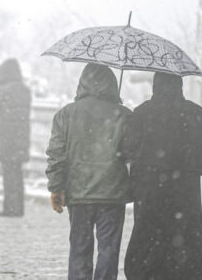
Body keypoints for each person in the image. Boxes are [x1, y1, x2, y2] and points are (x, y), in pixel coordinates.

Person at [120, 72, 202, 280]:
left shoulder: (142, 113)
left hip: (150, 189)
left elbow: (127, 149)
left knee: (149, 235)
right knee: (184, 238)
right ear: (179, 85)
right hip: (185, 192)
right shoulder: (195, 113)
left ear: (156, 86)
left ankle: (147, 273)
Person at [45, 63, 131, 280]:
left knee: (79, 250)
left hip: (78, 193)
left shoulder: (65, 114)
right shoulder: (124, 115)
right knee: (108, 252)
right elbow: (132, 154)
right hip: (112, 194)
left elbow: (56, 155)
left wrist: (56, 188)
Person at [0, 58, 32, 217]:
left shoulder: (2, 91)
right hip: (21, 136)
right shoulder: (25, 90)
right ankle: (19, 208)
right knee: (17, 173)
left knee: (8, 173)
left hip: (6, 137)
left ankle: (9, 207)